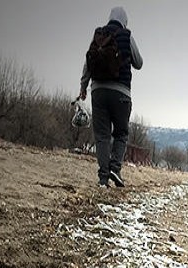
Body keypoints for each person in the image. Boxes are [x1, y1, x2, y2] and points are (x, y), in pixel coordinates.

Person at [78, 6, 143, 188]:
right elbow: (139, 63)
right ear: (124, 20)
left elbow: (88, 64)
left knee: (102, 136)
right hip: (121, 92)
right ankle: (115, 167)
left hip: (98, 91)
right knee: (121, 133)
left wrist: (83, 87)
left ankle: (103, 179)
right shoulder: (126, 35)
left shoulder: (99, 35)